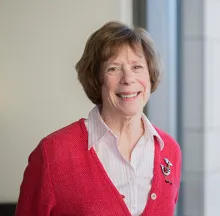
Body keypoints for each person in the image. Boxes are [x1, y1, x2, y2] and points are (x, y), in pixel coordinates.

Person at [15, 21, 182, 216]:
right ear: (97, 79)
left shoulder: (169, 151)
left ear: (150, 75)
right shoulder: (53, 154)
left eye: (137, 67)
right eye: (113, 68)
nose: (128, 79)